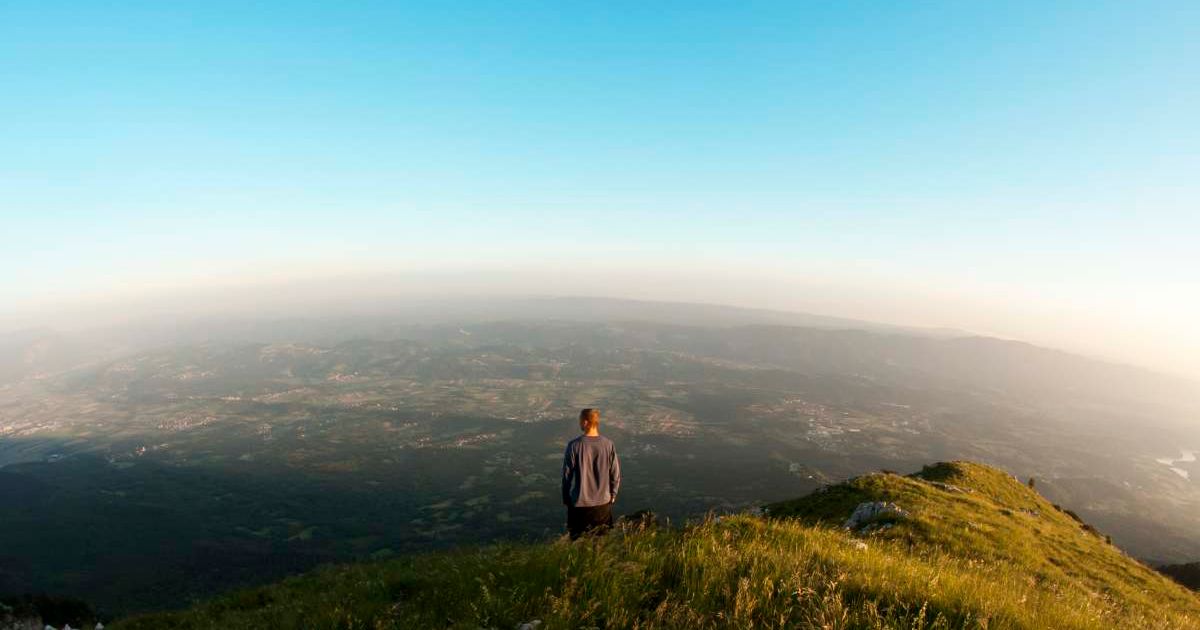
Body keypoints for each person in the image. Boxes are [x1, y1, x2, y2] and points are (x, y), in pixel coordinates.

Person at [561, 408, 621, 540]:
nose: (579, 423)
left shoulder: (574, 445)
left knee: (578, 544)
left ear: (585, 422)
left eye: (580, 420)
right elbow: (615, 474)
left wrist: (566, 497)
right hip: (603, 505)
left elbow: (567, 476)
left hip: (579, 505)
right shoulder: (608, 444)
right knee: (600, 545)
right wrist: (613, 494)